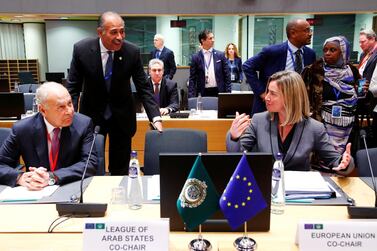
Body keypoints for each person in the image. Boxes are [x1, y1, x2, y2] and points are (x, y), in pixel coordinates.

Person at [67, 11, 162, 175]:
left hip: (122, 120)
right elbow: (73, 87)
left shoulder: (131, 52)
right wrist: (70, 116)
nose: (120, 37)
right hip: (92, 118)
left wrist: (155, 117)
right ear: (100, 32)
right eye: (114, 32)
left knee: (120, 171)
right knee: (91, 168)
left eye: (122, 31)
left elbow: (143, 87)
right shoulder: (81, 49)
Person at [226, 70, 353, 176]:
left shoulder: (315, 128)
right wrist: (234, 137)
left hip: (299, 193)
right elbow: (235, 157)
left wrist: (345, 163)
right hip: (265, 188)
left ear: (290, 97)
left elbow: (335, 161)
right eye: (268, 91)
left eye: (273, 93)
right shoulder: (259, 120)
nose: (266, 97)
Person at [0, 82, 97, 189]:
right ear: (42, 110)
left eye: (70, 103)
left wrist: (52, 177)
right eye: (61, 107)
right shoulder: (22, 129)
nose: (69, 111)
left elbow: (90, 164)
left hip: (71, 186)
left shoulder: (83, 124)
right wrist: (20, 177)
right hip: (36, 190)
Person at [243, 18, 316, 115]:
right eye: (306, 30)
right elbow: (247, 66)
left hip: (297, 108)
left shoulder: (310, 54)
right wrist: (262, 93)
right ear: (293, 33)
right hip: (270, 107)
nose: (310, 33)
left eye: (310, 30)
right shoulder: (272, 52)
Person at [302, 36, 359, 154]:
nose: (327, 53)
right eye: (325, 50)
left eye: (333, 50)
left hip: (347, 125)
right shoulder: (313, 71)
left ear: (343, 51)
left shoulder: (352, 72)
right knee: (322, 158)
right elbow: (303, 99)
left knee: (343, 160)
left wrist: (364, 92)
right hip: (321, 123)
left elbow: (360, 101)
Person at [188, 29, 231, 98]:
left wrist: (228, 93)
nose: (213, 40)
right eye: (210, 38)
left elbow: (227, 76)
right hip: (203, 92)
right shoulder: (196, 57)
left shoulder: (220, 55)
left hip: (219, 91)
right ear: (203, 40)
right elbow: (192, 79)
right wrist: (191, 96)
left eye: (213, 38)